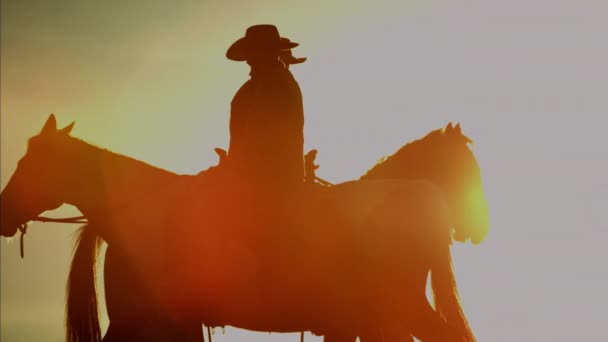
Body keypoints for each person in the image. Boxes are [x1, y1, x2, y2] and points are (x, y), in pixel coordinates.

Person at [226, 25, 305, 189]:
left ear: (268, 52)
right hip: (261, 179)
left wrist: (238, 175)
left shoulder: (274, 83)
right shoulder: (263, 82)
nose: (248, 59)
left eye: (252, 51)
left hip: (265, 183)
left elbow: (259, 137)